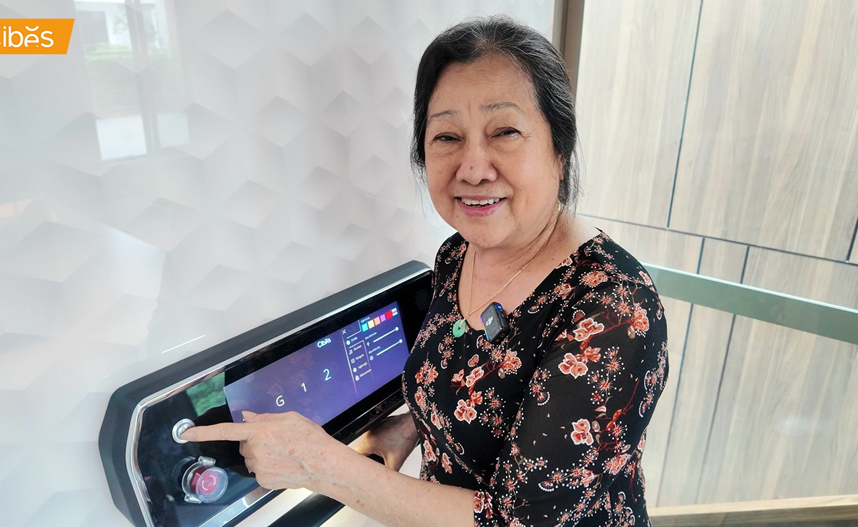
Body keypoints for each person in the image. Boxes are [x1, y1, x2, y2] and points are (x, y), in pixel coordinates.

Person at [183, 15, 668, 526]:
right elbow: (464, 382)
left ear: (560, 150)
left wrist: (321, 465)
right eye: (446, 137)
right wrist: (412, 428)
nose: (474, 168)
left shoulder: (615, 311)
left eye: (505, 131)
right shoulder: (457, 256)